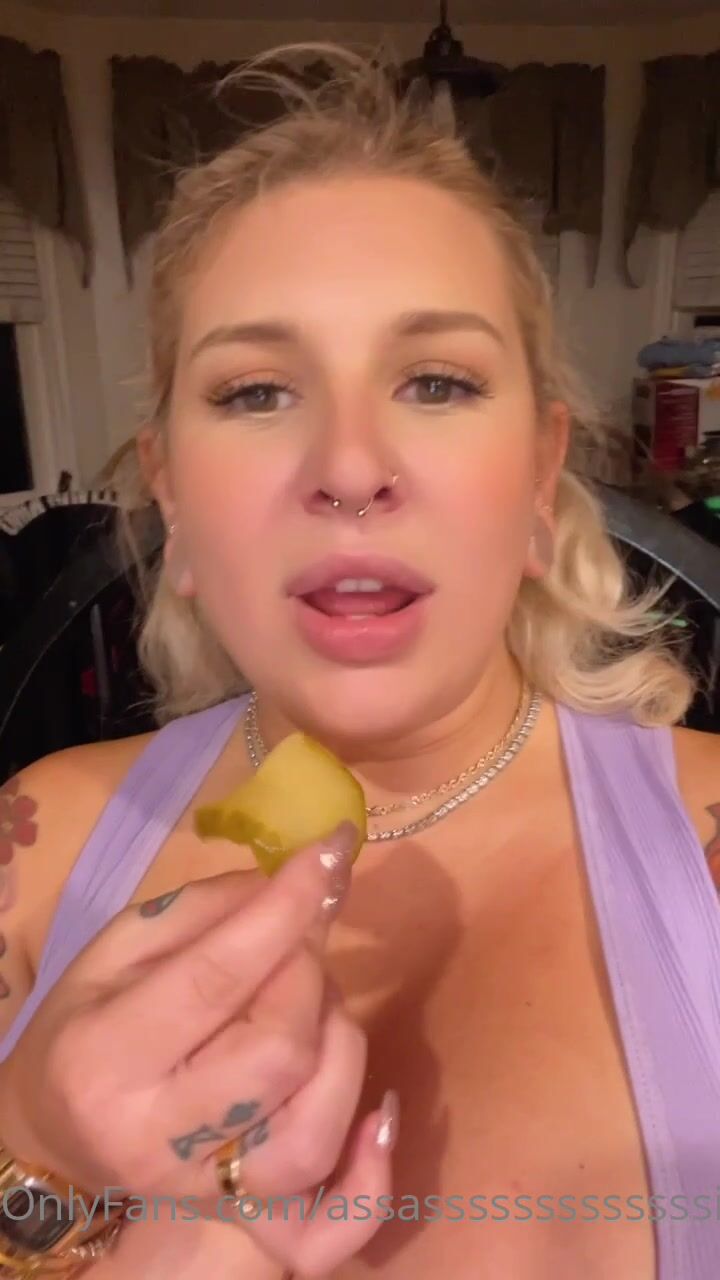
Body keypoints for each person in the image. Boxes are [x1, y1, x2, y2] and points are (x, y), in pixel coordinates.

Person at [0, 40, 718, 1280]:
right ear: (172, 498)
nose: (347, 466)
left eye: (436, 381)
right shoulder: (34, 847)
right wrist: (38, 1161)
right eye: (255, 392)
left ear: (540, 476)